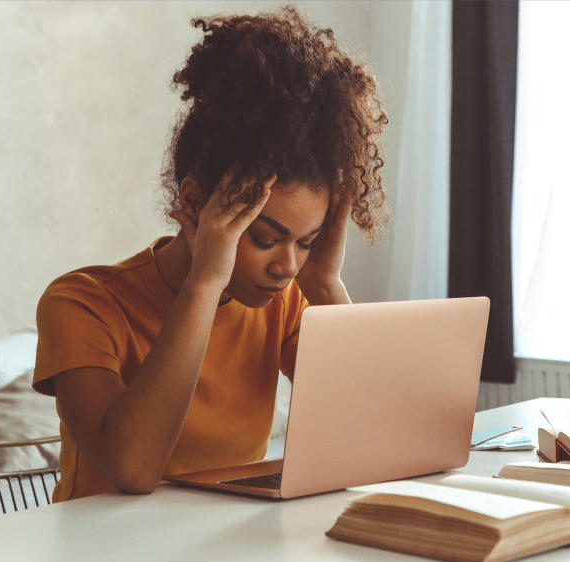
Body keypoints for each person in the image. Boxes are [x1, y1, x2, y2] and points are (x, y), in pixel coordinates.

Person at [32, 7, 388, 502]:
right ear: (195, 203)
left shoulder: (282, 304)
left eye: (306, 243)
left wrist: (327, 285)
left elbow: (382, 434)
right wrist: (205, 282)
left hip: (228, 558)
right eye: (265, 238)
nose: (287, 267)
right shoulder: (82, 304)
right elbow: (132, 470)